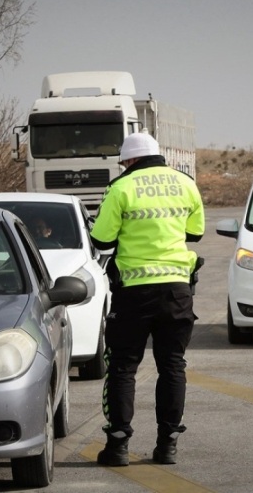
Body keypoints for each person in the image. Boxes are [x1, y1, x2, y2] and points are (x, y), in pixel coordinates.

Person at [89, 132, 205, 466]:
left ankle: (118, 446)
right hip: (177, 291)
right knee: (172, 365)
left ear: (128, 159)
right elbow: (195, 233)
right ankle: (167, 445)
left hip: (134, 293)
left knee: (123, 367)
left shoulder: (120, 187)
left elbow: (101, 240)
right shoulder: (185, 183)